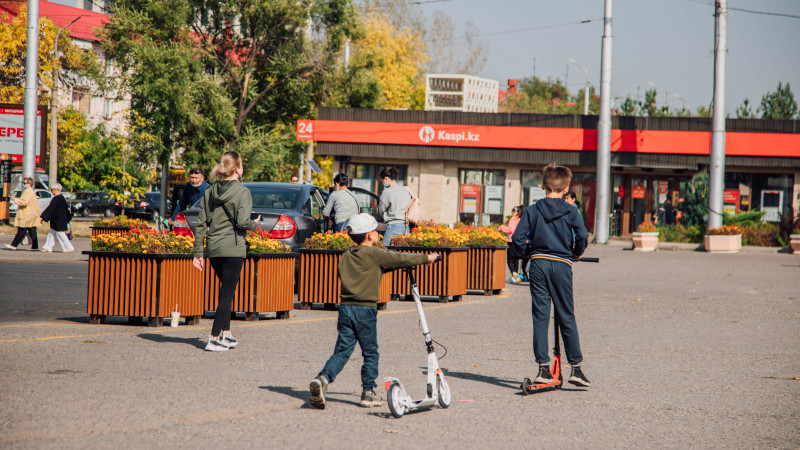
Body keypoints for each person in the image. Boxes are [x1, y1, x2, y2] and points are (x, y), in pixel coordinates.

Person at [309, 213, 438, 410]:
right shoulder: (375, 254)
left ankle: (323, 378)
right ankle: (368, 392)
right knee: (370, 353)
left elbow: (354, 272)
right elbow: (401, 258)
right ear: (370, 235)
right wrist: (428, 258)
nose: (378, 234)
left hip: (345, 309)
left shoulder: (346, 256)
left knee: (342, 351)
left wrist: (381, 270)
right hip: (365, 311)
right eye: (377, 232)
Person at [512, 163, 591, 388]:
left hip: (538, 265)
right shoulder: (571, 210)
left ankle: (543, 369)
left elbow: (517, 239)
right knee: (566, 314)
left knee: (541, 316)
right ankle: (576, 368)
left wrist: (529, 253)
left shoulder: (533, 210)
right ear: (566, 188)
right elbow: (582, 235)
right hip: (562, 265)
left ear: (543, 185)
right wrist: (576, 253)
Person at [192, 152, 261, 352]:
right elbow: (242, 222)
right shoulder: (242, 192)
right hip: (233, 247)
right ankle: (213, 338)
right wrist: (254, 224)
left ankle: (227, 334)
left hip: (213, 248)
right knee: (226, 293)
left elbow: (201, 224)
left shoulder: (209, 191)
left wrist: (198, 253)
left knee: (226, 291)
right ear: (238, 168)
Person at [377, 167, 412, 246]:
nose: (383, 183)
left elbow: (381, 209)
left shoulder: (387, 192)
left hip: (394, 226)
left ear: (386, 179)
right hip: (406, 227)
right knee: (402, 253)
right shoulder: (404, 190)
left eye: (382, 181)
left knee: (386, 251)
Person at [5, 177, 41, 251]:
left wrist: (14, 199)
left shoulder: (28, 192)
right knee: (32, 231)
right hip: (31, 214)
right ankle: (35, 247)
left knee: (21, 230)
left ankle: (13, 245)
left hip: (26, 215)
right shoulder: (31, 191)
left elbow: (24, 202)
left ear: (29, 184)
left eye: (25, 183)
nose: (23, 185)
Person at [38, 183, 74, 253]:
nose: (51, 191)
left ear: (56, 189)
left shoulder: (56, 199)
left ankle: (68, 247)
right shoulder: (61, 198)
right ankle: (48, 247)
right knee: (51, 234)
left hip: (58, 221)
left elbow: (50, 209)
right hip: (58, 220)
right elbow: (66, 210)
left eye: (52, 189)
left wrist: (43, 217)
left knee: (61, 234)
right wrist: (68, 219)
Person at [499, 205, 524, 284]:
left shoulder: (513, 219)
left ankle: (514, 273)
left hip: (511, 241)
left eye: (513, 211)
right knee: (516, 259)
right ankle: (515, 277)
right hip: (519, 241)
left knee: (509, 260)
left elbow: (511, 229)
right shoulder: (521, 219)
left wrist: (501, 227)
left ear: (515, 212)